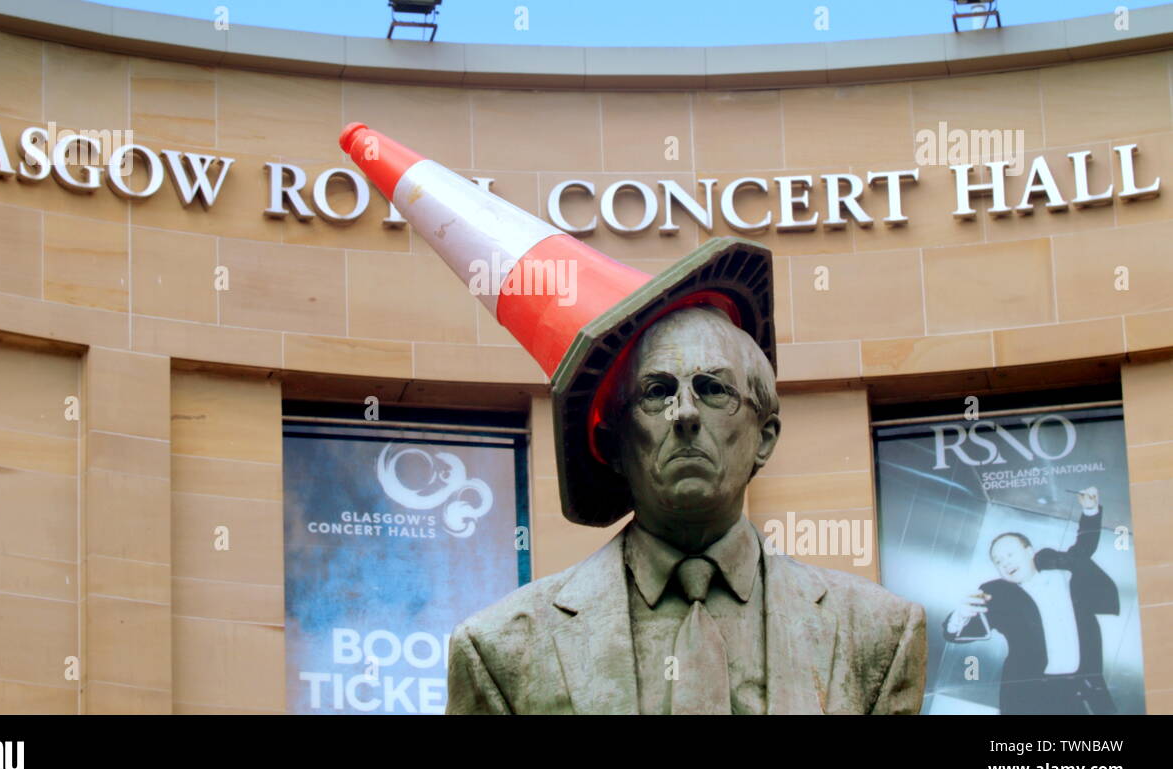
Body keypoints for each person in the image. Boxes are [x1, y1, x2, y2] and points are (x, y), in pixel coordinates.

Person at [446, 305, 926, 714]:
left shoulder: (878, 633)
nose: (686, 414)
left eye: (713, 389)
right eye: (657, 392)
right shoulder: (501, 648)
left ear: (764, 437)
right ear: (613, 445)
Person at [944, 487, 1119, 714]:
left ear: (1029, 551)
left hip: (1083, 690)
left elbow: (1083, 548)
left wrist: (1090, 510)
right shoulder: (998, 595)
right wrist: (959, 617)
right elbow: (957, 634)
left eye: (1009, 554)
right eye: (998, 561)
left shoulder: (1062, 571)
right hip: (1032, 697)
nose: (1004, 563)